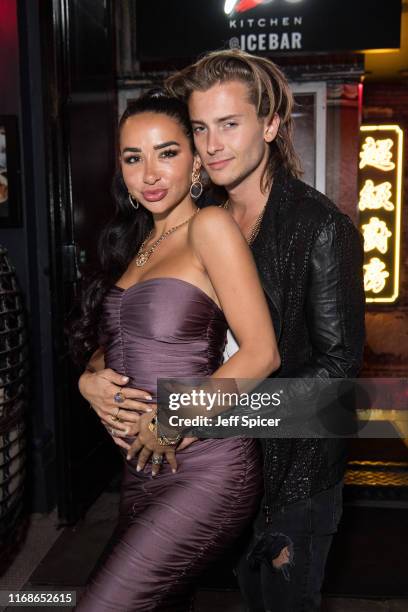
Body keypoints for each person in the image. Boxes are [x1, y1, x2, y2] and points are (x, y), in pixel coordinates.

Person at [79, 50, 365, 611]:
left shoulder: (320, 227)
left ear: (271, 124)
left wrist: (184, 414)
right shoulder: (198, 213)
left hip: (291, 478)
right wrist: (94, 375)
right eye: (201, 128)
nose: (212, 145)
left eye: (229, 125)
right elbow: (152, 328)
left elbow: (333, 389)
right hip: (198, 459)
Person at [73, 89, 280, 611]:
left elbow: (260, 353)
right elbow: (119, 341)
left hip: (206, 464)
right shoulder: (139, 242)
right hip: (140, 469)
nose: (149, 174)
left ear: (194, 159)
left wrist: (169, 419)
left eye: (166, 152)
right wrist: (89, 377)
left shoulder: (209, 228)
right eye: (132, 157)